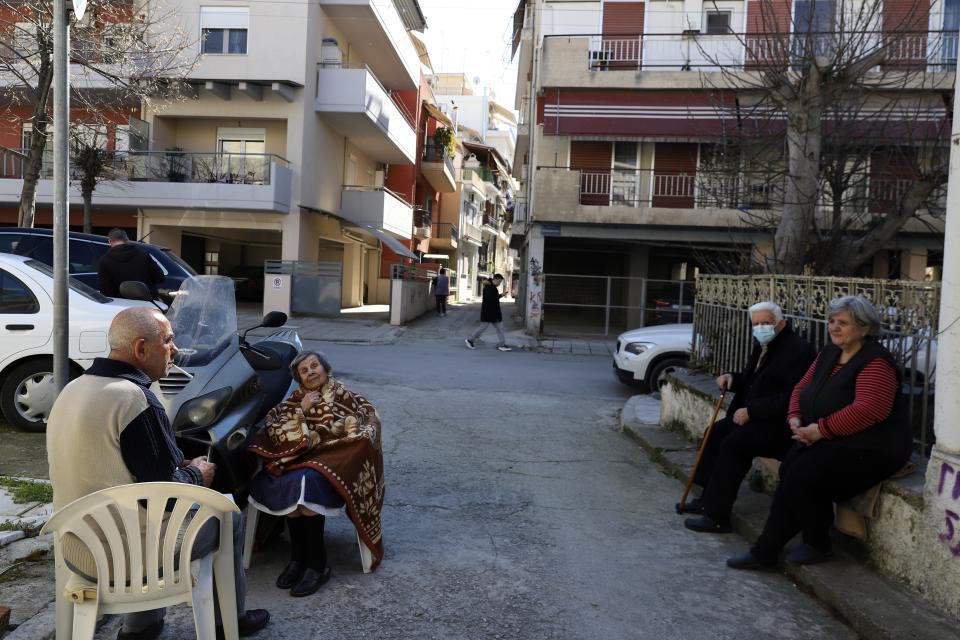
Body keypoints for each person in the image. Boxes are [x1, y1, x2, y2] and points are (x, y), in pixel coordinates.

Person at [46, 307, 270, 640]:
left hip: (78, 545)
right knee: (228, 517)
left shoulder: (73, 388)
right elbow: (166, 498)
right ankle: (229, 623)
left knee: (136, 515)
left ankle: (142, 627)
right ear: (141, 349)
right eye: (168, 340)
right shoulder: (134, 400)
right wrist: (199, 475)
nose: (175, 350)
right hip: (124, 558)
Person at [727, 296, 911, 570]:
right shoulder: (829, 353)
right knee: (791, 468)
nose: (834, 328)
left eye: (843, 323)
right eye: (832, 321)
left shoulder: (876, 363)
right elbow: (801, 387)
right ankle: (787, 546)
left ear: (865, 328)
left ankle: (795, 546)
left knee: (802, 475)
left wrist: (822, 430)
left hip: (872, 447)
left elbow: (869, 410)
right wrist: (794, 417)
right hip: (831, 437)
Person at [247, 351, 385, 596]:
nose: (311, 372)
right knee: (288, 482)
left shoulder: (343, 394)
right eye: (304, 370)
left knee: (307, 481)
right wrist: (301, 410)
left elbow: (366, 418)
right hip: (297, 459)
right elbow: (274, 424)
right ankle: (298, 559)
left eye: (314, 366)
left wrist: (340, 436)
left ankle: (317, 564)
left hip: (331, 460)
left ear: (325, 368)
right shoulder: (295, 399)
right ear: (299, 378)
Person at [683, 301, 816, 533]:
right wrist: (732, 379)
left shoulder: (798, 350)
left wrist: (753, 411)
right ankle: (707, 499)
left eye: (766, 323)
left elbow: (793, 396)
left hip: (779, 426)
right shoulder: (763, 345)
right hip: (755, 417)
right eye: (756, 324)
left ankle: (717, 516)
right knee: (715, 433)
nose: (760, 328)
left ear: (781, 323)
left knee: (734, 444)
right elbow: (754, 381)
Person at [98, 228, 164, 298]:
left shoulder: (104, 260)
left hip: (121, 304)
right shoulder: (144, 255)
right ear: (127, 240)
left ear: (110, 241)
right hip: (146, 302)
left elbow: (105, 290)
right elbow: (160, 278)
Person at [465, 273, 511, 352]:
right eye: (499, 282)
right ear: (496, 279)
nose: (499, 284)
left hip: (492, 313)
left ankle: (501, 345)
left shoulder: (491, 287)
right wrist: (499, 296)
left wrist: (501, 295)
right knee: (483, 328)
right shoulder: (490, 288)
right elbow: (491, 300)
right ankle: (470, 340)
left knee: (499, 328)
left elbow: (493, 298)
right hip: (490, 313)